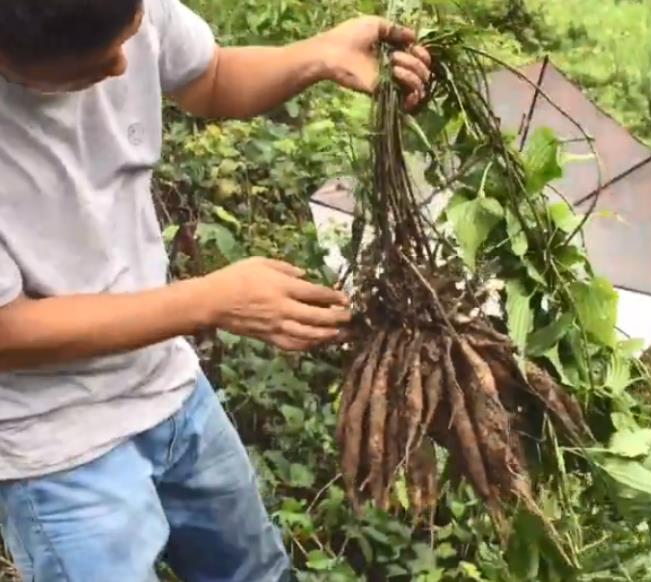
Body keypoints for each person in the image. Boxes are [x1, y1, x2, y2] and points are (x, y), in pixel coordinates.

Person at [0, 0, 431, 580]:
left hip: (169, 390)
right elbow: (9, 330)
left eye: (130, 37)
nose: (125, 68)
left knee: (255, 571)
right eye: (98, 61)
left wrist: (316, 56)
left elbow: (211, 77)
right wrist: (208, 301)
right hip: (54, 446)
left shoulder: (128, 11)